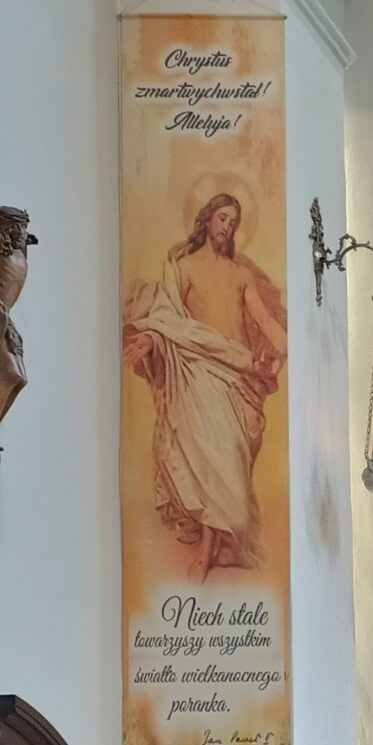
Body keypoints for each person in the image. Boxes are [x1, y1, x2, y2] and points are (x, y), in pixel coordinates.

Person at [121, 192, 289, 582]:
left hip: (239, 378)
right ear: (207, 219)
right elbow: (166, 319)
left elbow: (266, 323)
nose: (227, 226)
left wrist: (285, 349)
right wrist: (149, 339)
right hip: (199, 375)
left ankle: (218, 547)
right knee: (216, 461)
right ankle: (207, 550)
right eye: (222, 218)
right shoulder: (184, 268)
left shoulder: (241, 275)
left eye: (233, 221)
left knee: (230, 461)